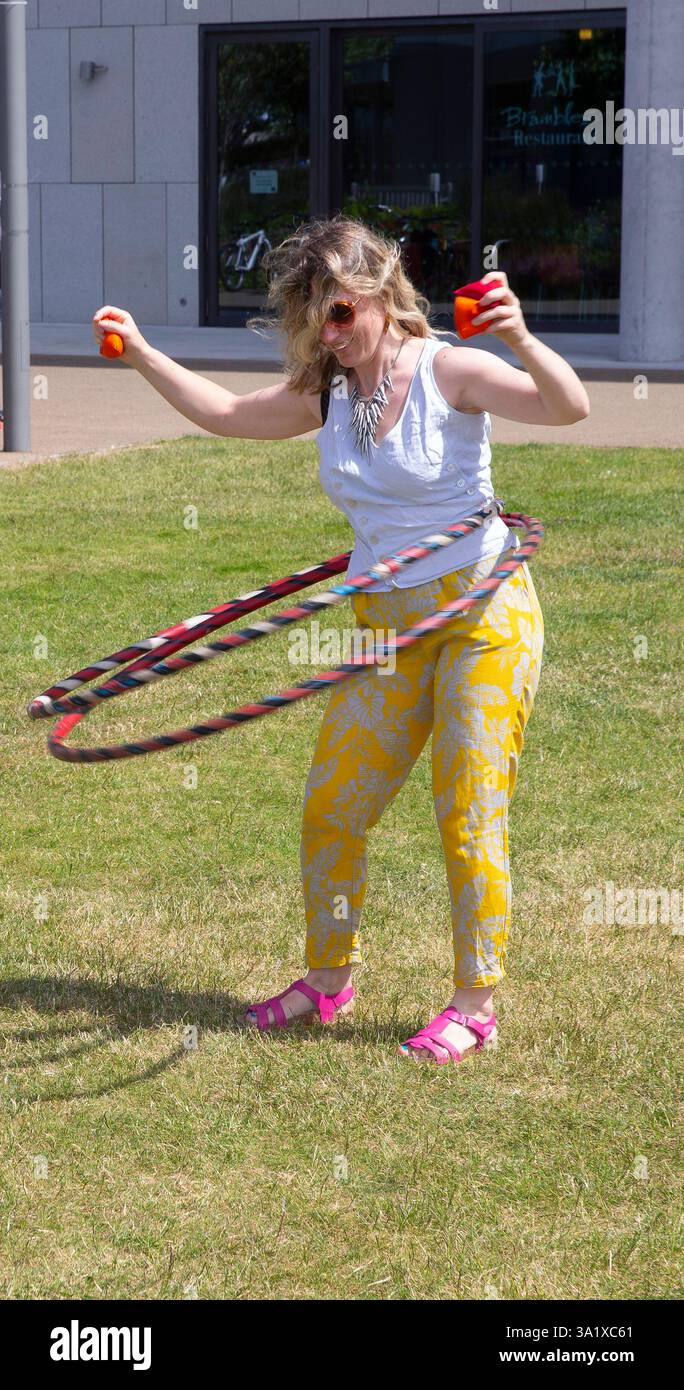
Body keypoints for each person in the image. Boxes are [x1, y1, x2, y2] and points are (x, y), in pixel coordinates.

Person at [92, 215, 589, 1065]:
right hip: (388, 628)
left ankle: (475, 1003)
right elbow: (224, 412)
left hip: (482, 617)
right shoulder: (329, 391)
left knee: (467, 807)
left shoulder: (450, 371)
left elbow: (567, 407)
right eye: (313, 318)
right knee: (332, 807)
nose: (327, 335)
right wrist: (140, 350)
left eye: (338, 315)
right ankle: (328, 982)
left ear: (376, 298)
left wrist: (522, 338)